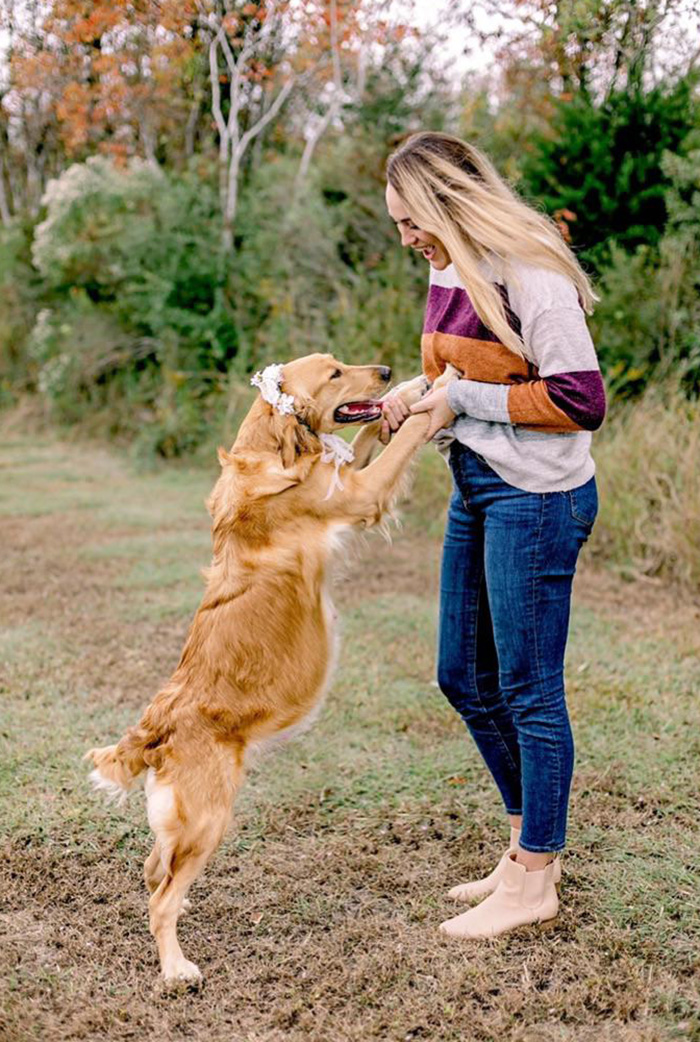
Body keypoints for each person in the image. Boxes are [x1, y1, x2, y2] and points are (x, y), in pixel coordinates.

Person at [381, 132, 606, 940]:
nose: (406, 239)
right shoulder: (452, 266)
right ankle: (524, 849)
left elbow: (581, 399)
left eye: (412, 221)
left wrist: (461, 401)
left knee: (527, 686)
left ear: (445, 204)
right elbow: (469, 374)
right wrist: (413, 394)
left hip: (537, 499)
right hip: (477, 485)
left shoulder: (531, 271)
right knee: (460, 674)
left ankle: (536, 877)